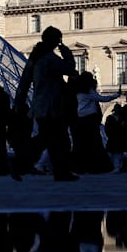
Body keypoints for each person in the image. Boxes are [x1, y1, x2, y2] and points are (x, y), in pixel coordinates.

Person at [16, 26, 79, 182]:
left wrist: (19, 101)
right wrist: (67, 53)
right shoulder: (49, 58)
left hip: (40, 105)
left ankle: (58, 171)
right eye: (58, 40)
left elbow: (24, 82)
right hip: (52, 106)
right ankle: (21, 164)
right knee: (57, 140)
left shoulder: (35, 57)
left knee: (49, 139)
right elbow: (69, 68)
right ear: (54, 40)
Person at [73, 73, 119, 174]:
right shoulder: (89, 92)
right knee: (95, 143)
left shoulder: (78, 92)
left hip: (81, 119)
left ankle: (81, 167)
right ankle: (98, 166)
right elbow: (103, 99)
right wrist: (116, 95)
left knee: (83, 144)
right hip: (90, 119)